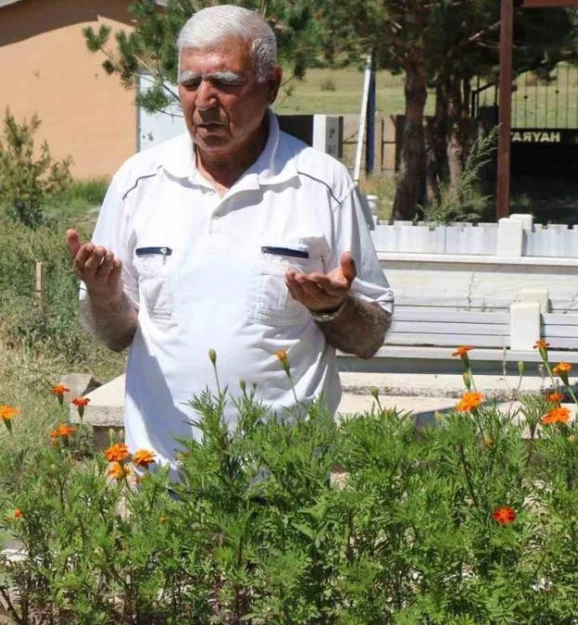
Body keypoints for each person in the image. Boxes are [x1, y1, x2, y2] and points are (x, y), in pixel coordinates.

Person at [65, 5, 394, 469]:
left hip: (285, 478)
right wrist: (103, 295)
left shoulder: (322, 184)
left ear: (271, 84)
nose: (204, 100)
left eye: (225, 82)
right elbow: (116, 335)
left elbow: (369, 337)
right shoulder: (139, 182)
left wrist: (333, 308)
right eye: (190, 83)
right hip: (163, 474)